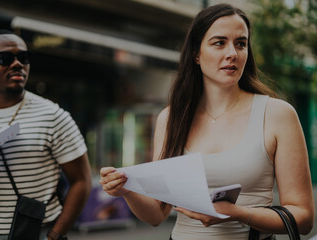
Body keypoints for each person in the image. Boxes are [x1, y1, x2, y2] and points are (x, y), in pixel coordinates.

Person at [99, 3, 314, 239]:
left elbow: (303, 218)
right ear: (196, 54)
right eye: (219, 42)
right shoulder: (171, 118)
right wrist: (126, 189)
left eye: (240, 43)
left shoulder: (278, 114)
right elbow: (157, 215)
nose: (232, 52)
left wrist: (239, 213)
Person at [0, 29, 92, 240]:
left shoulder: (53, 116)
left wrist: (56, 236)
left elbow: (81, 181)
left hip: (36, 233)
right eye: (6, 58)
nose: (17, 63)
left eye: (24, 57)